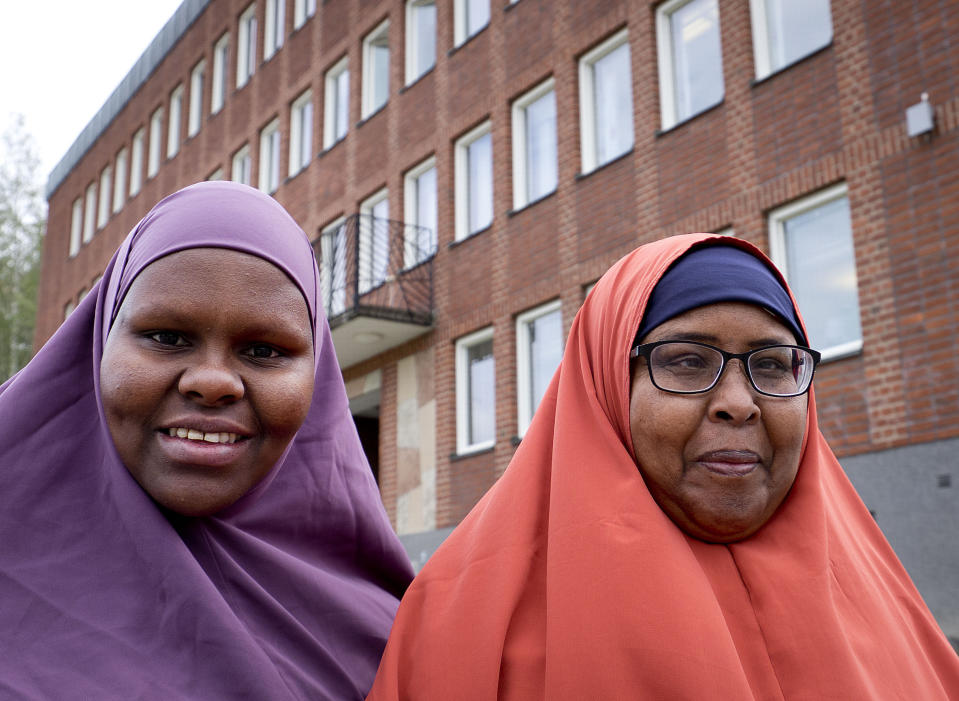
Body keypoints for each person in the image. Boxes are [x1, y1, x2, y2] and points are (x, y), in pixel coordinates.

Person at [367, 234, 959, 699]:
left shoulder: (883, 601)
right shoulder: (461, 626)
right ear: (605, 384)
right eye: (685, 361)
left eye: (775, 365)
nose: (738, 402)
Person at [0, 182, 413, 699]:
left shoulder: (396, 640)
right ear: (100, 342)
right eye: (167, 337)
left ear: (319, 377)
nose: (213, 381)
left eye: (264, 349)